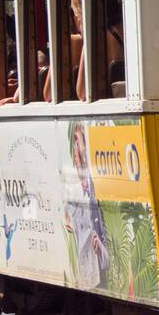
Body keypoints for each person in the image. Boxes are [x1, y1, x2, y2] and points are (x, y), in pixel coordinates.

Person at [62, 121, 109, 290]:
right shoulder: (74, 191)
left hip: (100, 279)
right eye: (73, 141)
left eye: (78, 141)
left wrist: (101, 249)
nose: (75, 149)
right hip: (88, 279)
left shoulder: (98, 185)